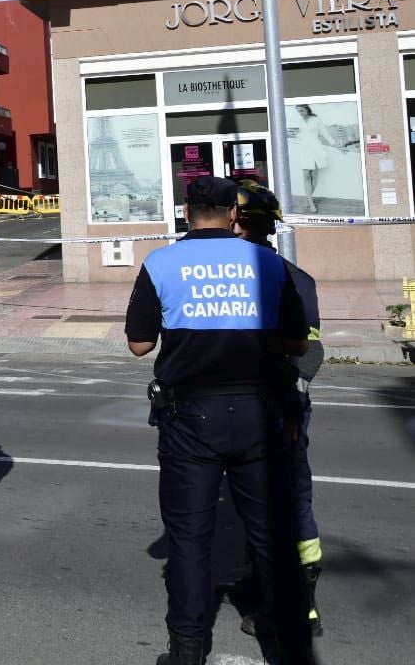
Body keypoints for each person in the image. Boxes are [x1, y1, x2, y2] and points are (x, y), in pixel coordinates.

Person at [125, 175, 313, 665]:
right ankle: (288, 643)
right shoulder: (267, 263)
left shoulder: (161, 262)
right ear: (234, 215)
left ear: (187, 214)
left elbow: (139, 344)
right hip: (258, 413)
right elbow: (298, 343)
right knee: (271, 533)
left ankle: (187, 650)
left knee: (189, 541)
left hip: (189, 417)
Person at [234, 180, 326, 639]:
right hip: (273, 404)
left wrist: (292, 391)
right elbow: (313, 348)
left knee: (278, 501)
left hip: (270, 406)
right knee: (278, 499)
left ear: (238, 223)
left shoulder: (264, 277)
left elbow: (308, 349)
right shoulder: (295, 276)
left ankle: (294, 604)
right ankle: (276, 588)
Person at [290, 105, 342, 215]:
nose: (300, 113)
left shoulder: (316, 120)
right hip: (304, 150)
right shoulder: (300, 121)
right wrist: (298, 135)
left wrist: (336, 145)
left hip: (316, 149)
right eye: (298, 111)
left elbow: (325, 133)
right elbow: (302, 135)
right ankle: (311, 202)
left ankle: (308, 199)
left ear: (307, 109)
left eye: (302, 110)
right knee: (306, 175)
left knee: (314, 174)